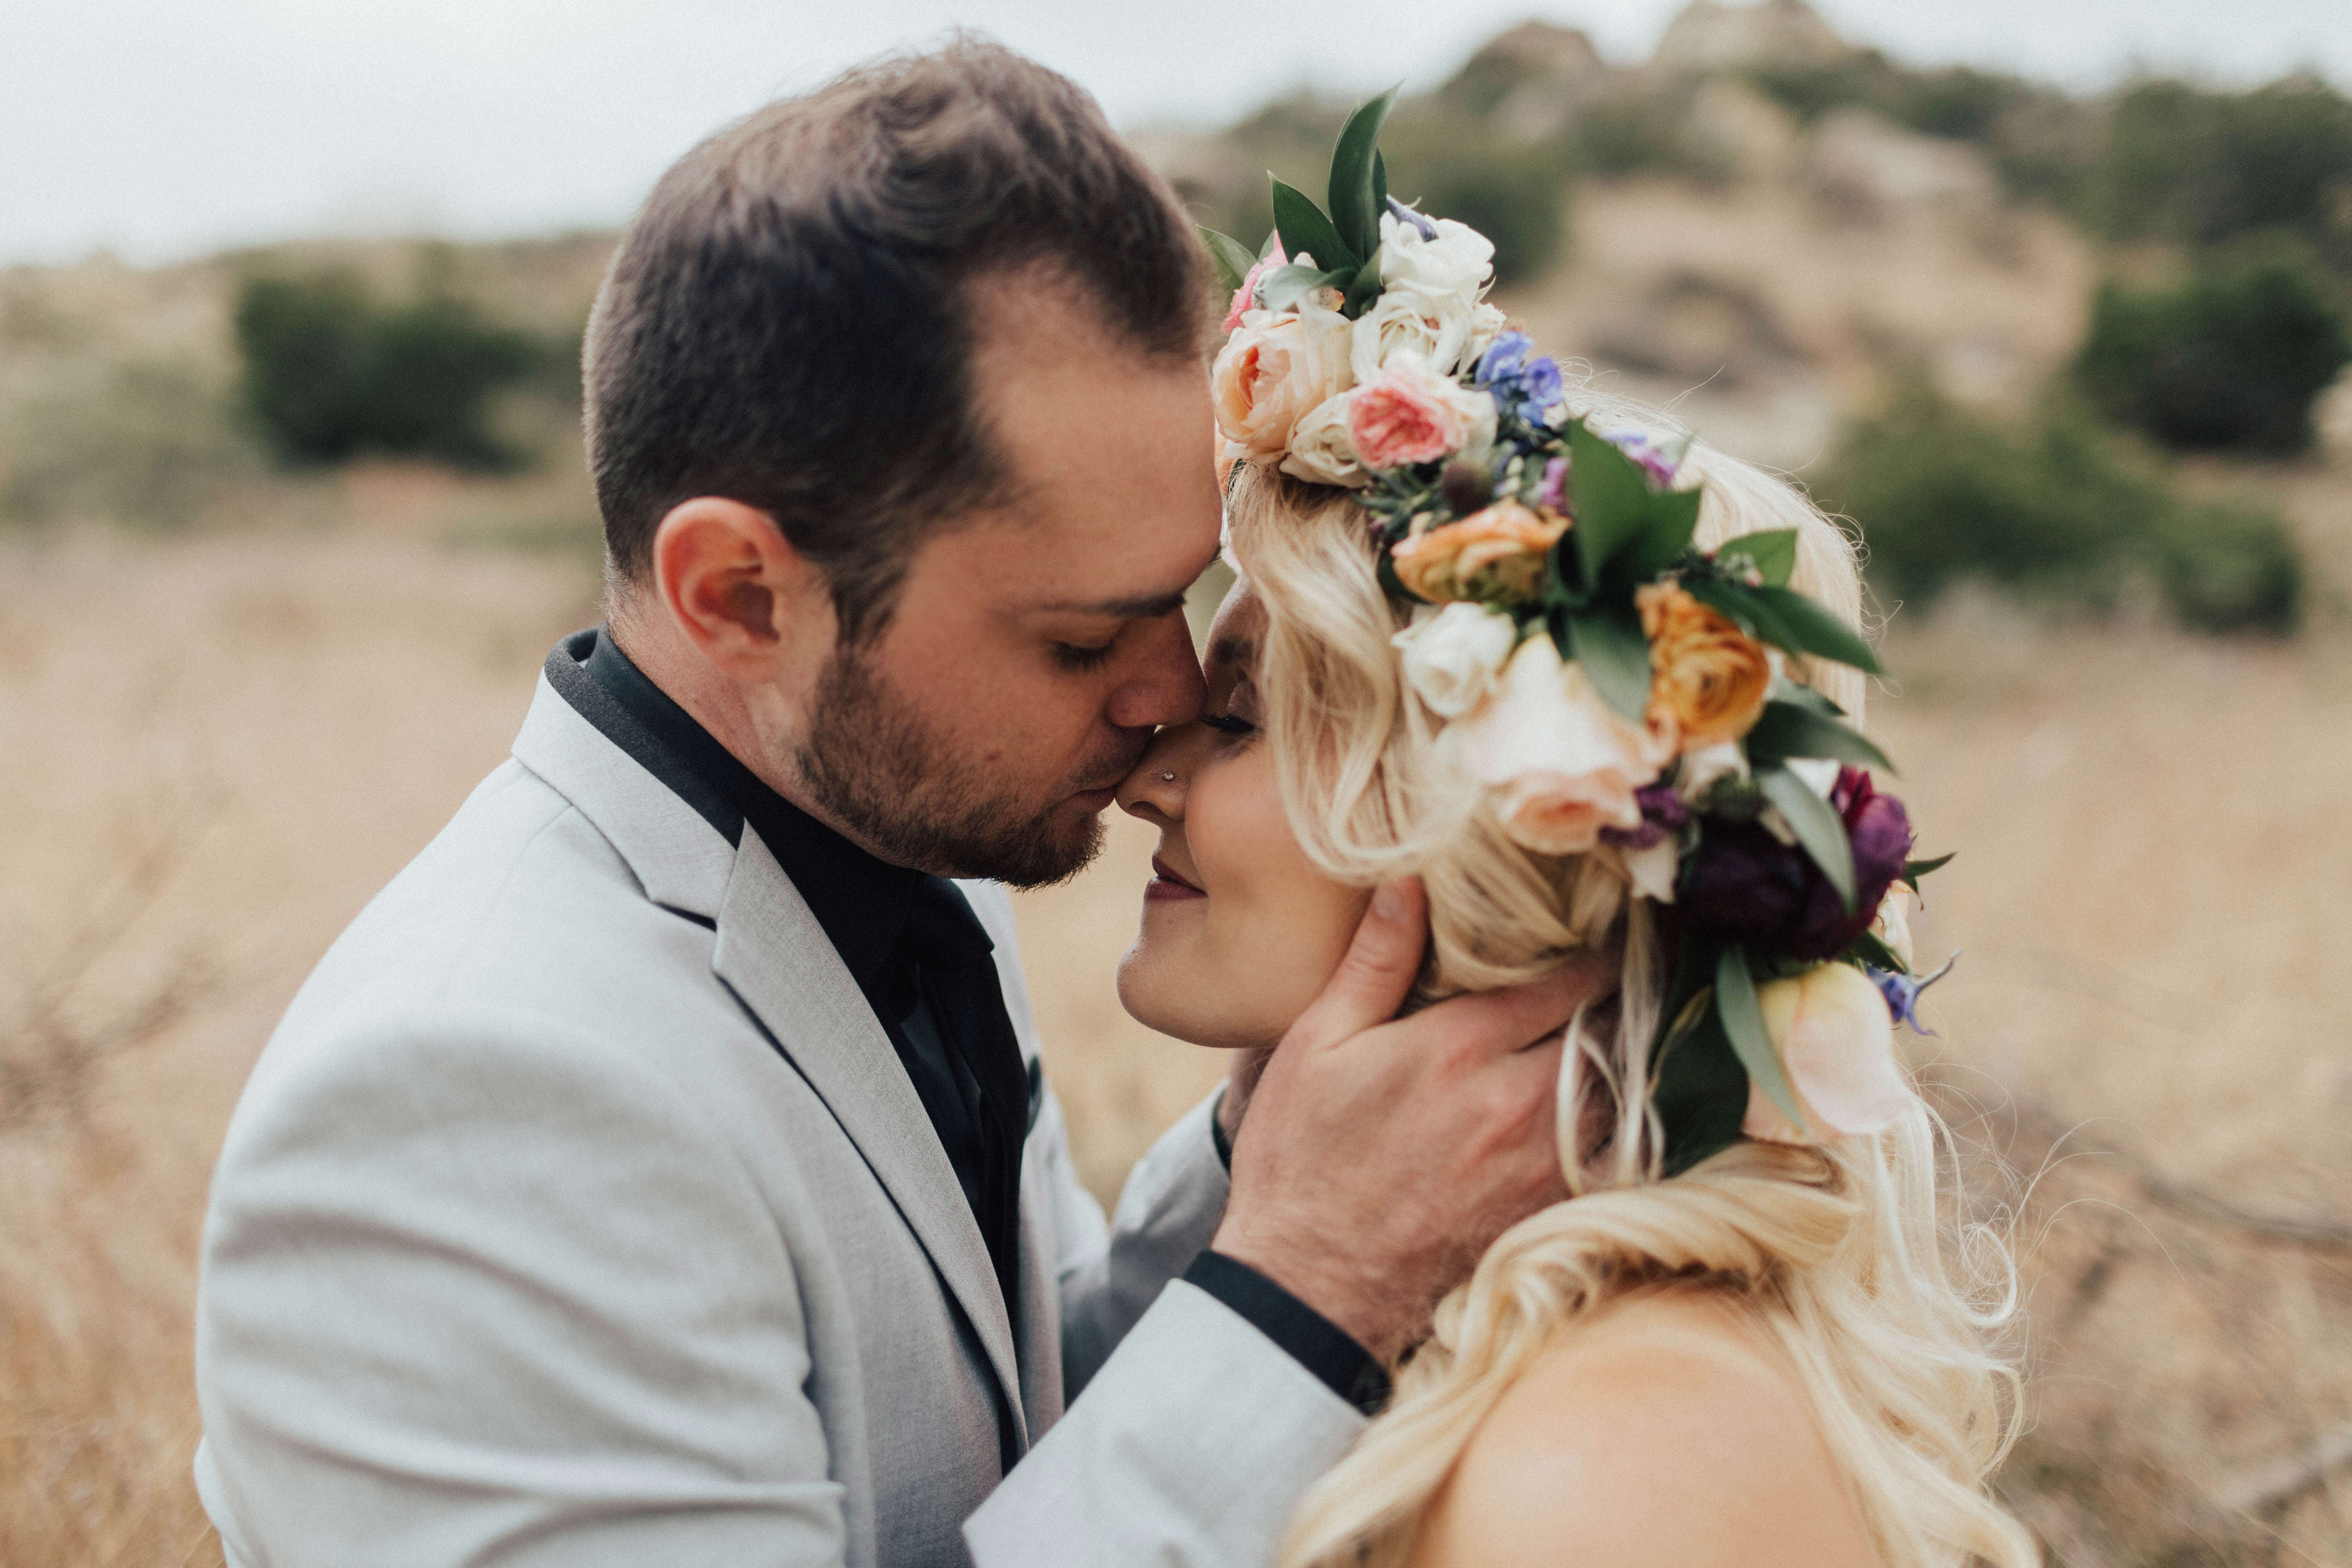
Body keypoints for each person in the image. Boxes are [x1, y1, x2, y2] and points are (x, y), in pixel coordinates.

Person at [190, 42, 1606, 1568]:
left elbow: (978, 1447)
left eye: (1178, 601)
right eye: (1079, 637)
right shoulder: (466, 1102)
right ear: (740, 595)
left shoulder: (909, 857)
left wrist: (1293, 1148)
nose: (1168, 696)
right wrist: (1317, 1279)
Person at [1110, 219, 2042, 1563]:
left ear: (1487, 815)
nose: (1152, 778)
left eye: (1245, 720)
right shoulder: (1474, 1333)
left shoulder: (1610, 1465)